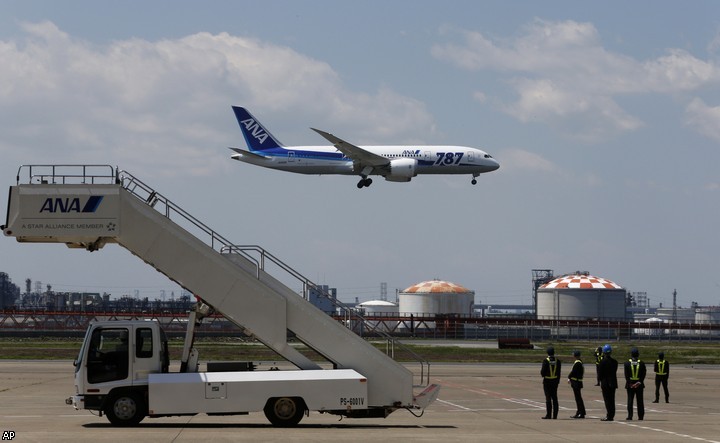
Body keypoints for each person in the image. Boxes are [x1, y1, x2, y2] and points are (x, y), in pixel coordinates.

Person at [624, 347, 646, 420]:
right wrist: (639, 382)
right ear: (638, 354)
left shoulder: (627, 363)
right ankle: (641, 416)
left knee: (630, 400)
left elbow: (626, 375)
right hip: (639, 384)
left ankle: (630, 416)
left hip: (630, 384)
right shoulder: (641, 363)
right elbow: (643, 374)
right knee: (640, 401)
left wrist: (630, 383)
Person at [597, 344, 618, 421]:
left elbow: (600, 373)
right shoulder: (615, 362)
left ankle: (609, 415)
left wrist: (599, 381)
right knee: (612, 400)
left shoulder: (602, 362)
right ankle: (612, 414)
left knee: (607, 400)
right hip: (613, 383)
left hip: (605, 383)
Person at [540, 346, 561, 419]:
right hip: (555, 381)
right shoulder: (558, 361)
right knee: (555, 398)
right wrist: (558, 381)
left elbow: (542, 372)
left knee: (548, 398)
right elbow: (559, 372)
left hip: (547, 381)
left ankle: (548, 415)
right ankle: (555, 415)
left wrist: (544, 375)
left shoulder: (546, 361)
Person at [567, 350, 585, 419]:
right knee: (578, 398)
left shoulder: (578, 363)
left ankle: (580, 412)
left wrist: (569, 377)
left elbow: (573, 372)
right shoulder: (579, 362)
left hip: (576, 382)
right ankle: (581, 411)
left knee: (578, 398)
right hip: (577, 382)